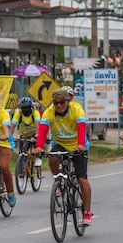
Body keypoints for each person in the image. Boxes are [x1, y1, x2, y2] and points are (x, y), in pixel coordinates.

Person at [33, 88, 93, 226]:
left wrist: (81, 145)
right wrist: (39, 146)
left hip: (78, 146)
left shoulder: (76, 109)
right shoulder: (49, 112)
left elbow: (81, 127)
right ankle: (58, 179)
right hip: (60, 144)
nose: (59, 106)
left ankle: (87, 212)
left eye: (62, 102)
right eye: (56, 103)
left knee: (82, 179)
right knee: (52, 157)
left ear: (68, 101)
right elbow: (42, 130)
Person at [11, 96, 42, 167]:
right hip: (24, 135)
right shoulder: (18, 113)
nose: (25, 109)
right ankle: (21, 168)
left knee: (37, 146)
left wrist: (37, 135)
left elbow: (37, 124)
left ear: (30, 107)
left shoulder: (35, 113)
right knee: (22, 152)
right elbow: (13, 124)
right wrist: (10, 136)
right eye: (23, 108)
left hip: (34, 133)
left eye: (27, 107)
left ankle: (38, 158)